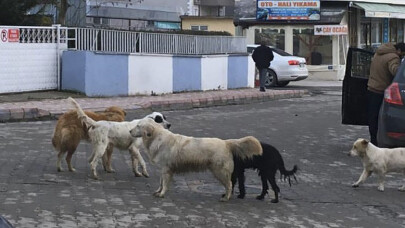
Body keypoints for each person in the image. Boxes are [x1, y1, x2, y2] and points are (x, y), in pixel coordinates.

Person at [367, 42, 405, 146]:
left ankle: (373, 141)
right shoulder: (393, 57)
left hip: (372, 88)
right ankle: (377, 142)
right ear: (399, 51)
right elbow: (395, 71)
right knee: (381, 118)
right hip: (381, 90)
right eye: (402, 54)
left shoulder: (379, 53)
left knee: (373, 117)